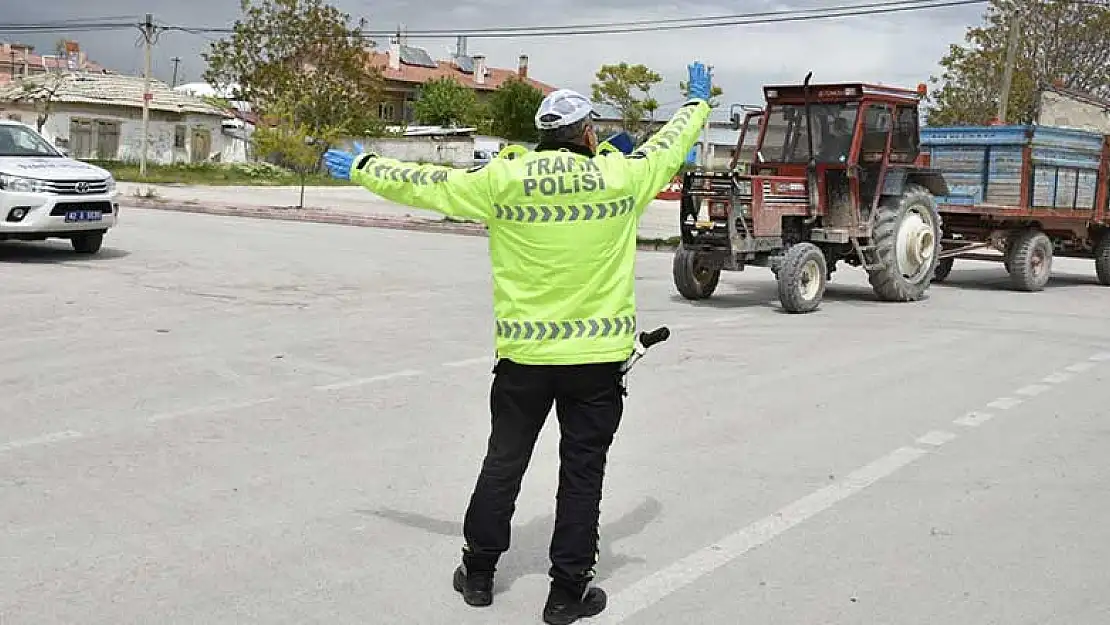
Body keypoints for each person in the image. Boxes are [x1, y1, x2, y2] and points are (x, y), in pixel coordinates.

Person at [324, 62, 714, 625]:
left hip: (523, 362)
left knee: (503, 463)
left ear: (541, 134)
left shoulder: (502, 181)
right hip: (596, 364)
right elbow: (670, 144)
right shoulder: (622, 179)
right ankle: (566, 594)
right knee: (582, 474)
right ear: (587, 134)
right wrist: (696, 103)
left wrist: (363, 165)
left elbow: (427, 184)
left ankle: (479, 574)